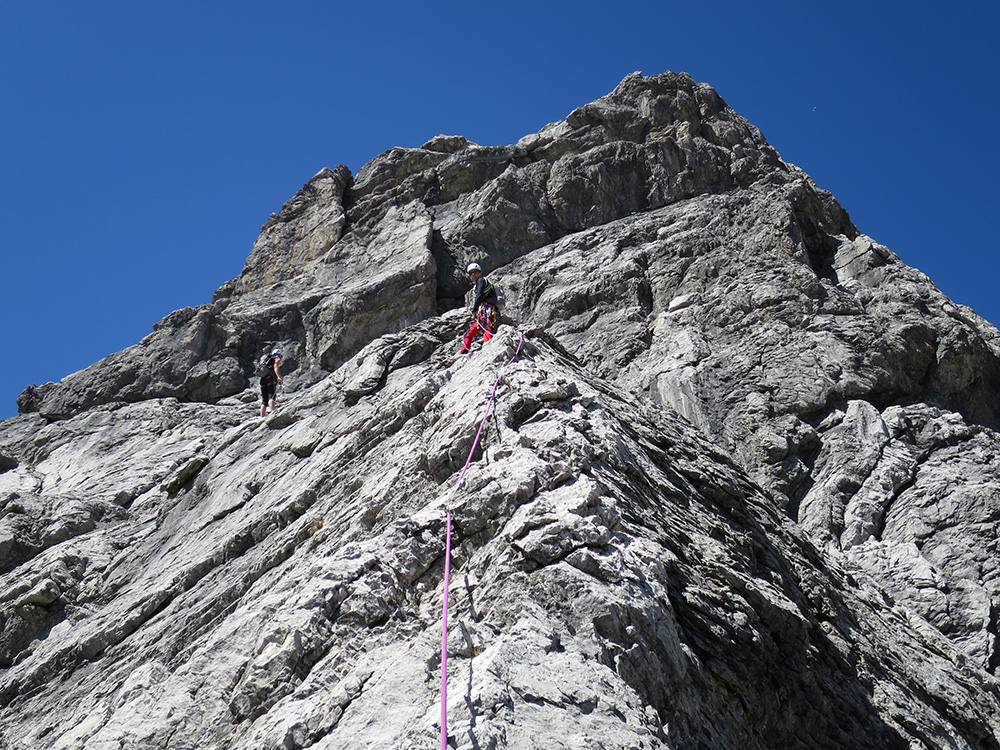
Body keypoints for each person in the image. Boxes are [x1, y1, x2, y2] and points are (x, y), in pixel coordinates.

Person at [461, 262, 499, 353]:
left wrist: (474, 309)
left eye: (475, 272)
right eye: (471, 273)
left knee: (486, 327)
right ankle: (464, 351)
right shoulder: (477, 285)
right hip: (482, 313)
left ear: (480, 272)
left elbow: (479, 295)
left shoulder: (481, 280)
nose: (473, 274)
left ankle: (489, 349)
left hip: (486, 309)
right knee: (468, 334)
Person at [259, 347, 284, 416]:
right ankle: (273, 412)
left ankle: (262, 416)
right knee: (271, 396)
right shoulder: (276, 358)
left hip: (263, 379)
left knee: (264, 400)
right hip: (271, 379)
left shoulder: (266, 360)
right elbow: (276, 366)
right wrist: (278, 376)